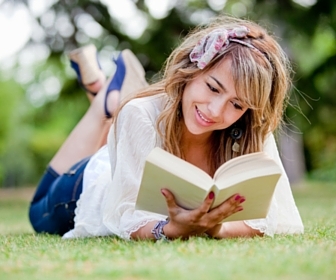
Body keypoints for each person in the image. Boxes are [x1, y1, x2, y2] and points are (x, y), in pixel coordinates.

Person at [29, 16, 304, 241]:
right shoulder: (140, 115)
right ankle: (107, 101)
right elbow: (127, 217)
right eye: (212, 87)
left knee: (136, 118)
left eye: (237, 104)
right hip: (87, 184)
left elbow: (271, 218)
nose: (215, 111)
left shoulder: (250, 126)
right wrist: (170, 230)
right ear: (192, 68)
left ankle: (111, 100)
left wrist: (217, 228)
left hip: (136, 145)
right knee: (36, 211)